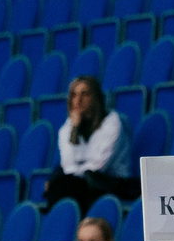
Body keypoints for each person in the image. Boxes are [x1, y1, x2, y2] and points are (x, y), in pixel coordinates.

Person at [45, 74, 136, 207]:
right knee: (64, 186)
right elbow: (67, 165)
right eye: (74, 95)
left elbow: (98, 166)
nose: (78, 100)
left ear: (95, 97)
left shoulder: (113, 123)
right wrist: (75, 129)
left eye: (85, 94)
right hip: (80, 184)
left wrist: (75, 172)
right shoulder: (67, 127)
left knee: (66, 187)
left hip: (110, 182)